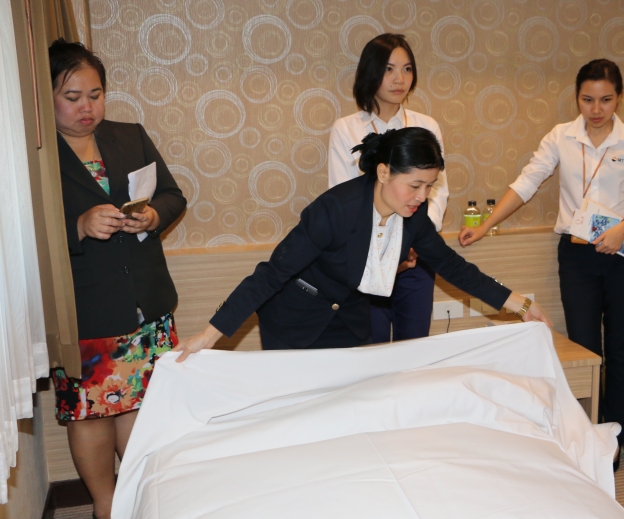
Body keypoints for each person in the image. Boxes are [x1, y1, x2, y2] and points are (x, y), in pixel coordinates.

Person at [176, 128, 549, 359]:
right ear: (384, 172)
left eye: (429, 186)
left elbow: (452, 267)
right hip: (296, 320)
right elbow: (272, 273)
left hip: (349, 322)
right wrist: (208, 336)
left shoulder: (413, 216)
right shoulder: (335, 209)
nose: (422, 196)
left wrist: (520, 303)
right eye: (415, 185)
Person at [459, 59, 624, 468]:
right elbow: (527, 182)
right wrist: (485, 227)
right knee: (584, 348)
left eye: (606, 100)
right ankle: (584, 434)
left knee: (620, 349)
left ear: (619, 97)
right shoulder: (561, 136)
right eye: (587, 99)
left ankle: (613, 437)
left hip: (623, 253)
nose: (596, 109)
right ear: (577, 97)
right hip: (577, 256)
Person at [48, 39, 186, 519]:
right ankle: (106, 509)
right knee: (92, 414)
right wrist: (78, 227)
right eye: (72, 97)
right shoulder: (35, 158)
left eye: (96, 94)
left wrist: (152, 215)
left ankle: (142, 499)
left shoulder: (130, 136)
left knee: (142, 408)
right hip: (85, 310)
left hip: (146, 302)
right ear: (47, 97)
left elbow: (172, 195)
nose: (87, 107)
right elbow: (20, 235)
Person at [328, 33, 448, 343]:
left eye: (407, 69)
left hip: (416, 259)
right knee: (372, 347)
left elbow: (437, 191)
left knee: (415, 347)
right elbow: (342, 195)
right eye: (389, 69)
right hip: (369, 258)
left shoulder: (426, 126)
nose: (400, 79)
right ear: (371, 72)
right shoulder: (346, 128)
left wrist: (413, 241)